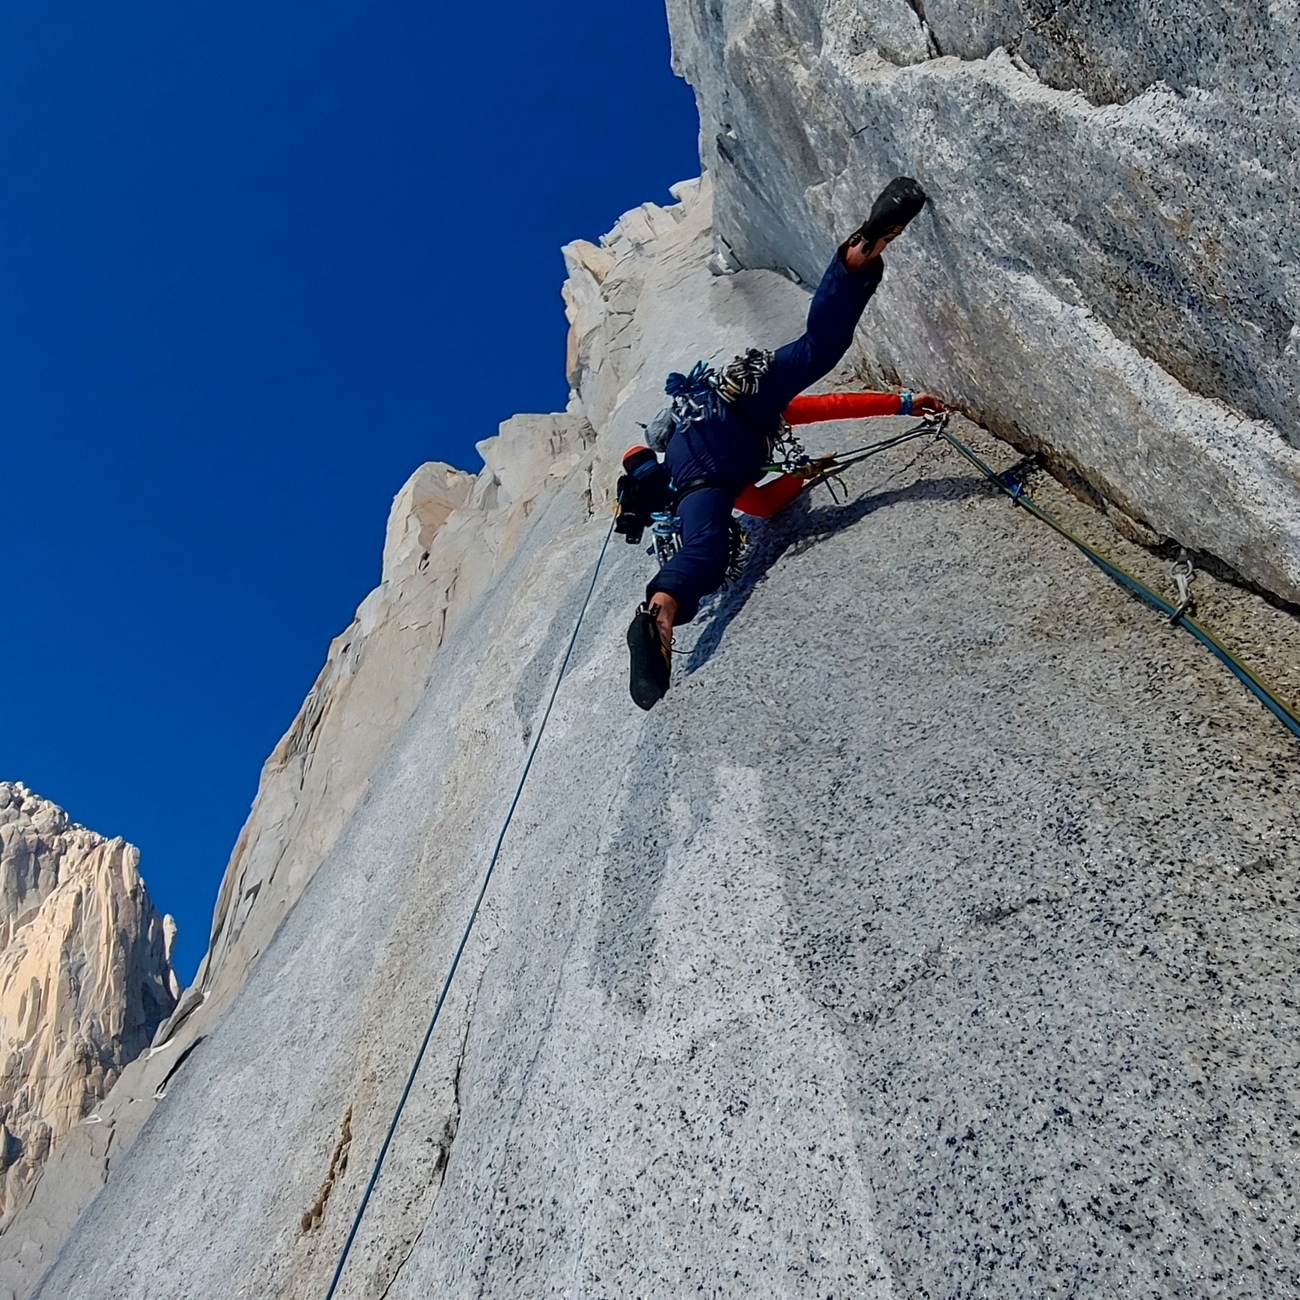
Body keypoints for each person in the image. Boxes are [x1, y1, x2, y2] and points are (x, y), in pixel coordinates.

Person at [625, 177, 945, 711]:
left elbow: (764, 506)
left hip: (706, 470)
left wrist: (804, 474)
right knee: (819, 348)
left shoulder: (723, 489)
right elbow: (824, 410)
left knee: (702, 549)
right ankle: (861, 250)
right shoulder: (741, 444)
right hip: (729, 395)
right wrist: (904, 403)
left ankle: (659, 611)